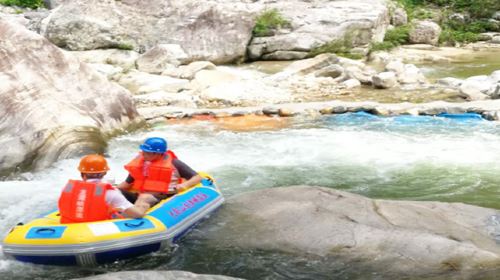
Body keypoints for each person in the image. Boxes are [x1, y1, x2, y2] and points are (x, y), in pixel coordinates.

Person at [58, 154, 157, 224]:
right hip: (98, 228)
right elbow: (137, 214)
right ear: (104, 173)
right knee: (144, 199)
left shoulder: (67, 188)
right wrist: (144, 203)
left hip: (70, 227)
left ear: (82, 174)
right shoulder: (110, 192)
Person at [117, 137, 202, 202]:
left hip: (163, 197)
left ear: (158, 154)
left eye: (147, 153)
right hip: (141, 195)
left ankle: (136, 219)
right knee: (116, 191)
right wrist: (112, 189)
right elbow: (127, 183)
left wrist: (185, 185)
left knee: (144, 197)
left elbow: (197, 177)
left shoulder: (174, 163)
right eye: (143, 151)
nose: (143, 155)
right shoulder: (140, 164)